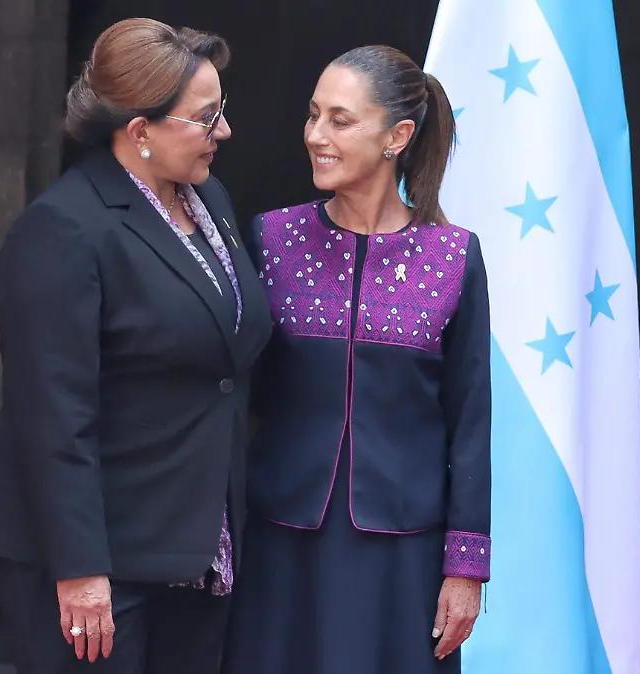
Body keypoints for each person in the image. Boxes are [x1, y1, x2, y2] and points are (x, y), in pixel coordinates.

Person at [0, 18, 272, 674]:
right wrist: (79, 570)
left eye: (223, 109)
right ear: (140, 133)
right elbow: (51, 416)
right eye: (205, 116)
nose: (225, 132)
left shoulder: (210, 200)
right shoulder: (63, 229)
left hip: (194, 545)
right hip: (91, 558)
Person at [223, 45, 492, 674]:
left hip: (405, 552)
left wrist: (465, 567)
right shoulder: (272, 237)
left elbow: (471, 418)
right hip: (280, 536)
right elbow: (237, 392)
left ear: (397, 136)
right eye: (313, 115)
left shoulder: (453, 257)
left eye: (340, 120)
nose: (316, 135)